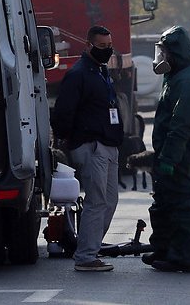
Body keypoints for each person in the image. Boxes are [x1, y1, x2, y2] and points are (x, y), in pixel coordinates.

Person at [52, 25, 124, 272]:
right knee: (97, 200)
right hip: (92, 145)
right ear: (88, 45)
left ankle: (89, 246)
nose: (107, 50)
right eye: (101, 46)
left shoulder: (101, 72)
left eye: (109, 45)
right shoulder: (79, 74)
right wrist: (71, 140)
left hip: (108, 144)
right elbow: (63, 112)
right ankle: (86, 256)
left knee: (109, 200)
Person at [144, 26, 190, 273]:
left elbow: (181, 125)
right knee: (164, 203)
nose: (160, 57)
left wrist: (169, 159)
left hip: (185, 153)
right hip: (175, 152)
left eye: (164, 51)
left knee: (183, 205)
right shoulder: (177, 76)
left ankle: (184, 257)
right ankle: (164, 250)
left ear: (175, 52)